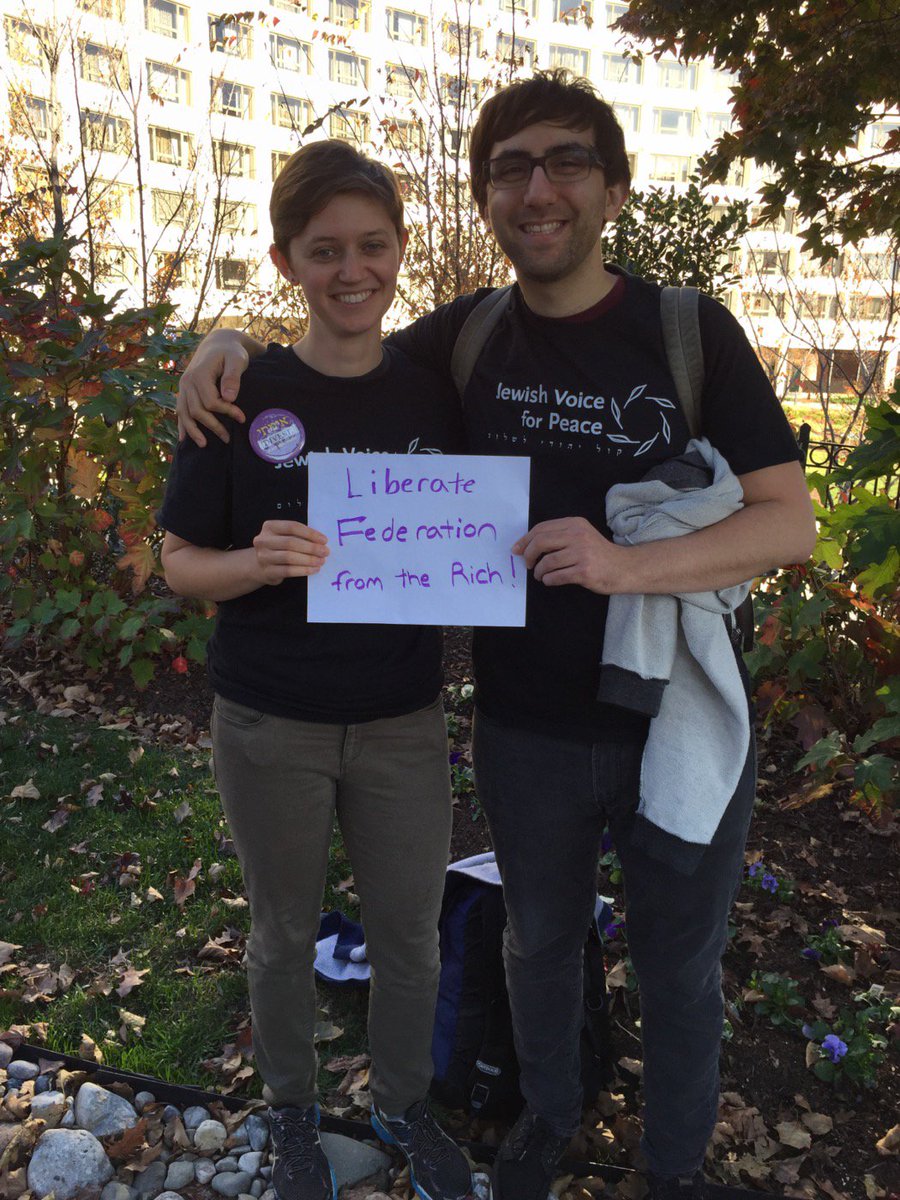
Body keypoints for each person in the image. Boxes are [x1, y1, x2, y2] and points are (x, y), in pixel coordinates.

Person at [175, 72, 816, 1200]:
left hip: (674, 719)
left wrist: (624, 564)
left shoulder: (687, 330)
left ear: (614, 188)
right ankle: (546, 1123)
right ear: (483, 199)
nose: (538, 188)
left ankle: (670, 1172)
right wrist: (222, 340)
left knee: (679, 967)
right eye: (511, 168)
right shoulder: (466, 336)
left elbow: (790, 524)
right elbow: (337, 340)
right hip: (523, 723)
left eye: (566, 161)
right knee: (536, 946)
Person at [159, 139, 474, 1200]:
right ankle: (292, 1112)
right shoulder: (244, 392)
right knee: (284, 933)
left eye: (373, 246)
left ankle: (400, 1106)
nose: (353, 270)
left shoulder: (435, 394)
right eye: (325, 248)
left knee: (411, 939)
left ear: (399, 252)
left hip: (401, 722)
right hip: (270, 719)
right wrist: (253, 562)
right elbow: (175, 562)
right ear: (287, 257)